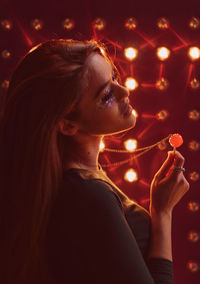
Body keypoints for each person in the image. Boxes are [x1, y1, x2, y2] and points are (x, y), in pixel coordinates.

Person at [0, 39, 190, 284]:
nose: (125, 92)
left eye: (114, 77)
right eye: (107, 95)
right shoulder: (86, 194)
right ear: (68, 124)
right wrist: (162, 213)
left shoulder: (81, 183)